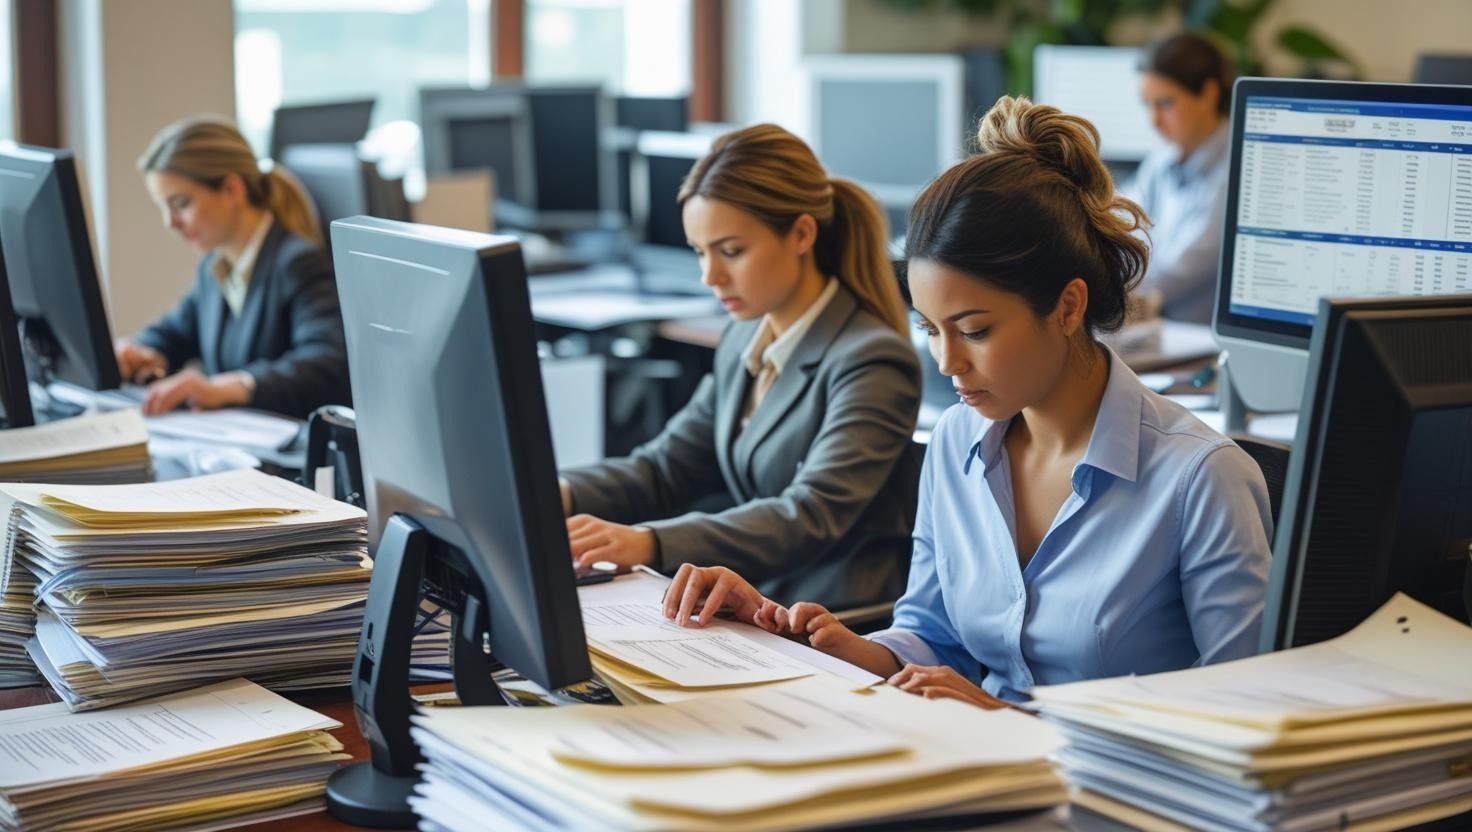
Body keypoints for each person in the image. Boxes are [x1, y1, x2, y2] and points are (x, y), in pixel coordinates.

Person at [662, 98, 1272, 708]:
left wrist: (1008, 716)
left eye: (975, 330)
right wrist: (811, 641)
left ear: (1067, 307)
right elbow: (932, 637)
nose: (947, 362)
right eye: (929, 328)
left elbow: (1239, 714)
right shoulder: (957, 439)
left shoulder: (1201, 479)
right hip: (974, 760)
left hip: (1118, 791)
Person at [558, 123, 921, 611]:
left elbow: (807, 515)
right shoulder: (745, 338)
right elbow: (666, 469)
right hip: (756, 601)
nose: (710, 276)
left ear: (801, 234)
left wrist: (647, 542)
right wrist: (558, 494)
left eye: (731, 251)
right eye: (701, 253)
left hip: (831, 622)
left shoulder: (871, 359)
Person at [116, 116, 350, 419]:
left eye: (181, 204)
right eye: (163, 207)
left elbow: (327, 363)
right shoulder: (216, 266)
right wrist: (138, 350)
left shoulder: (296, 262)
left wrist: (233, 387)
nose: (170, 223)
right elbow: (175, 333)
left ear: (232, 190)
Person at [1122, 32, 1236, 325]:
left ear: (1209, 94)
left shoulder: (1236, 170)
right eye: (1147, 105)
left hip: (1199, 342)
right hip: (1156, 329)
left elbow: (1180, 271)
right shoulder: (1161, 163)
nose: (1153, 120)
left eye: (1165, 103)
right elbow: (1119, 225)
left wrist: (1103, 292)